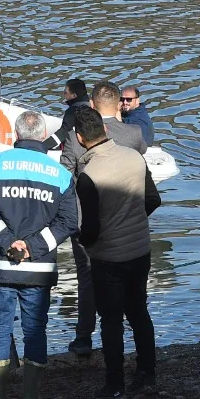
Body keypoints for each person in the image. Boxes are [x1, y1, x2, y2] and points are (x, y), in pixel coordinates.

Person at [0, 110, 78, 399]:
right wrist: (34, 247)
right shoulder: (59, 173)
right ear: (44, 136)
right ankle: (32, 397)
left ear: (15, 136)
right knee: (35, 330)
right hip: (39, 267)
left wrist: (7, 242)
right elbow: (69, 220)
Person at [73, 106, 162, 398]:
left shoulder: (88, 176)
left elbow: (92, 228)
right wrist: (133, 221)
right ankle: (147, 374)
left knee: (111, 322)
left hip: (108, 256)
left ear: (79, 138)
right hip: (140, 249)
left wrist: (84, 242)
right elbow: (153, 199)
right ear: (106, 129)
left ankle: (115, 383)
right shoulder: (134, 157)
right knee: (139, 312)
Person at [61, 80, 146, 355]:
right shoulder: (134, 134)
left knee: (86, 278)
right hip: (128, 220)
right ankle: (137, 344)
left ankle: (84, 337)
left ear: (93, 106)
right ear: (118, 104)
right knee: (131, 289)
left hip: (88, 220)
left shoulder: (76, 138)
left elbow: (65, 177)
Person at [54, 78, 91, 149]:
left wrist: (43, 145)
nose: (63, 94)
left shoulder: (72, 112)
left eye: (65, 92)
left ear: (74, 96)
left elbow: (63, 133)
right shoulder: (91, 107)